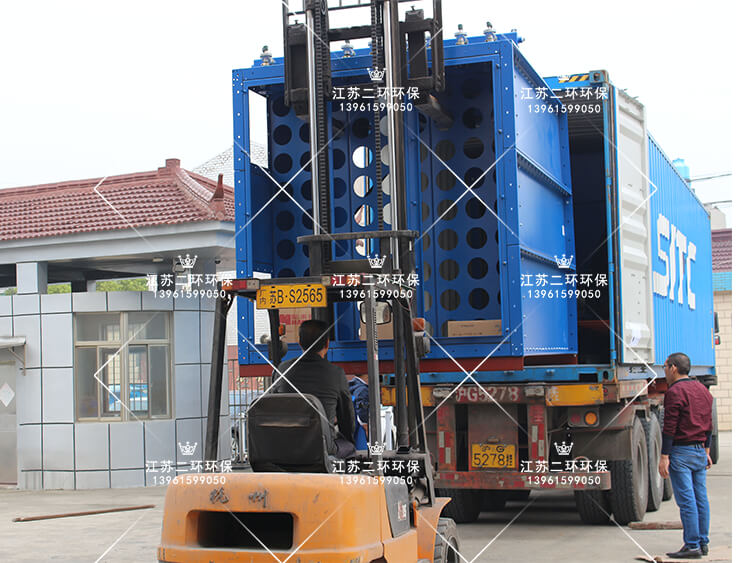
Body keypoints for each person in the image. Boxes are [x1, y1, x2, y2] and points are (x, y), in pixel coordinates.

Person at [658, 352, 713, 559]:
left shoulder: (675, 391)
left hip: (681, 452)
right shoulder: (702, 389)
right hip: (699, 450)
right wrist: (706, 450)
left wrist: (665, 456)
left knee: (687, 501)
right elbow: (708, 422)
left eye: (665, 367)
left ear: (673, 368)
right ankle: (702, 542)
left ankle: (692, 545)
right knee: (700, 499)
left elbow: (670, 426)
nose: (664, 371)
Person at [275, 319, 356, 458]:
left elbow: (273, 406)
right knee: (349, 447)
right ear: (327, 344)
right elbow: (346, 416)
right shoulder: (336, 373)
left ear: (300, 342)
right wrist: (347, 438)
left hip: (286, 446)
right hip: (322, 449)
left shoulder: (282, 370)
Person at [347, 373, 370, 450]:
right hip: (359, 425)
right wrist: (365, 424)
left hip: (350, 422)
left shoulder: (350, 385)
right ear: (366, 375)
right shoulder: (363, 389)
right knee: (361, 450)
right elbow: (361, 407)